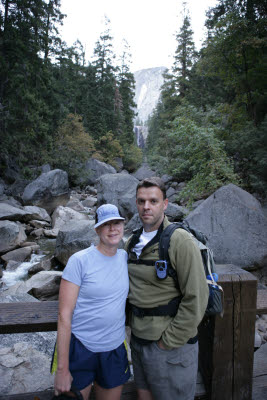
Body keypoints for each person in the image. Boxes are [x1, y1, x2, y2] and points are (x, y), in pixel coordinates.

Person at [126, 177, 209, 400]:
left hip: (170, 348)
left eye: (153, 201)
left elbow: (197, 298)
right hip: (139, 342)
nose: (146, 207)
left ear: (165, 204)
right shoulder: (132, 242)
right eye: (141, 201)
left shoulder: (179, 241)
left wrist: (167, 342)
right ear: (136, 203)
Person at [53, 204, 131, 400]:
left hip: (114, 348)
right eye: (106, 224)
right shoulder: (79, 261)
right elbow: (64, 315)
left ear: (123, 226)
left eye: (116, 223)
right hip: (81, 348)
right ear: (97, 229)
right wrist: (62, 369)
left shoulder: (125, 258)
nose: (112, 229)